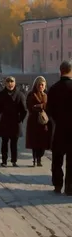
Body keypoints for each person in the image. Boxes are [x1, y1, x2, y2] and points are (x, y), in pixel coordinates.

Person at [47, 60, 72, 195]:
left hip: (59, 129)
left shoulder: (54, 88)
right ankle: (70, 187)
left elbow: (49, 110)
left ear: (60, 71)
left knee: (57, 159)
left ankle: (57, 185)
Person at [0, 76, 27, 167]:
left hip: (15, 122)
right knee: (4, 142)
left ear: (15, 83)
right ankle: (4, 161)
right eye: (8, 82)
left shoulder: (20, 95)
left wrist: (20, 119)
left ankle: (14, 160)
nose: (10, 84)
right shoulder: (2, 94)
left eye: (12, 81)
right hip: (5, 121)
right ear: (5, 83)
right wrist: (0, 114)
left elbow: (24, 110)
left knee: (14, 143)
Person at [25, 76, 51, 167]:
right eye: (39, 85)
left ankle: (39, 157)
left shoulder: (46, 95)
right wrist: (41, 106)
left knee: (43, 142)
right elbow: (30, 107)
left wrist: (39, 106)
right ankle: (36, 159)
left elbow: (48, 107)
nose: (41, 86)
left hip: (43, 122)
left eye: (42, 85)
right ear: (36, 85)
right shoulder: (31, 94)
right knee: (34, 142)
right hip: (33, 121)